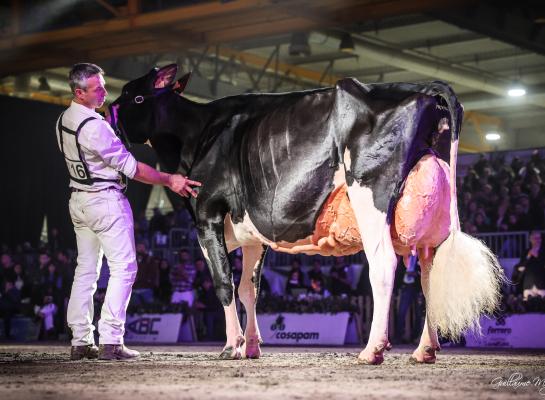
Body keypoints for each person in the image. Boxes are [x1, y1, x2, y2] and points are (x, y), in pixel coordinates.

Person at [57, 63, 201, 361]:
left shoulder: (63, 120)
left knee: (85, 270)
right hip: (105, 200)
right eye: (97, 89)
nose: (104, 92)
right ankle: (111, 340)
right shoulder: (95, 127)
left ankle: (80, 340)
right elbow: (134, 169)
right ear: (79, 92)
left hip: (79, 200)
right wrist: (169, 179)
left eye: (104, 85)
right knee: (124, 268)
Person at [516, 231, 545, 300]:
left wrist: (537, 256)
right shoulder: (526, 252)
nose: (537, 240)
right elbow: (521, 266)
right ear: (530, 239)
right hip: (528, 285)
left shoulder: (543, 251)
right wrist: (528, 256)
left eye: (539, 238)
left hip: (541, 284)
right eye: (535, 238)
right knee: (527, 306)